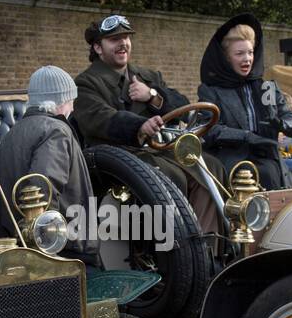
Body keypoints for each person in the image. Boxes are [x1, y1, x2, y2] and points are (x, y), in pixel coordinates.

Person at [73, 15, 225, 234]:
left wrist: (152, 96)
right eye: (114, 39)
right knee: (172, 175)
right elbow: (99, 118)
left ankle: (207, 244)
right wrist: (139, 126)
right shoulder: (86, 82)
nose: (123, 43)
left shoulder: (147, 76)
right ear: (98, 47)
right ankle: (173, 250)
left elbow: (182, 105)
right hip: (114, 157)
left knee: (210, 167)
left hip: (156, 150)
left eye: (126, 37)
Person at [0, 66, 97, 263]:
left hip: (14, 249)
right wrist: (50, 248)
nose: (73, 108)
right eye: (71, 101)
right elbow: (41, 189)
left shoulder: (13, 133)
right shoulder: (56, 131)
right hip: (60, 253)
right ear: (62, 101)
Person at [195, 14, 292, 189]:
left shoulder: (266, 88)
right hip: (235, 160)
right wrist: (248, 137)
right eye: (239, 53)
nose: (247, 59)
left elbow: (291, 117)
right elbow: (210, 130)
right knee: (268, 173)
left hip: (271, 157)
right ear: (227, 57)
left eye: (250, 52)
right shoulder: (211, 90)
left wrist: (284, 124)